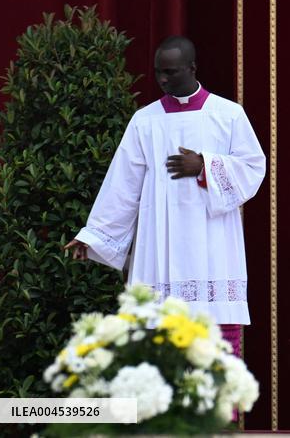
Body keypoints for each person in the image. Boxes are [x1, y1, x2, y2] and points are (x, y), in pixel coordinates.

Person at [64, 36, 265, 357]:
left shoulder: (229, 115)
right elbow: (123, 184)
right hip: (160, 246)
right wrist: (95, 235)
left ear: (192, 68)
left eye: (170, 72)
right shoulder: (145, 121)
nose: (162, 79)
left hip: (212, 245)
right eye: (158, 72)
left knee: (215, 356)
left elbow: (253, 167)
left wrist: (204, 165)